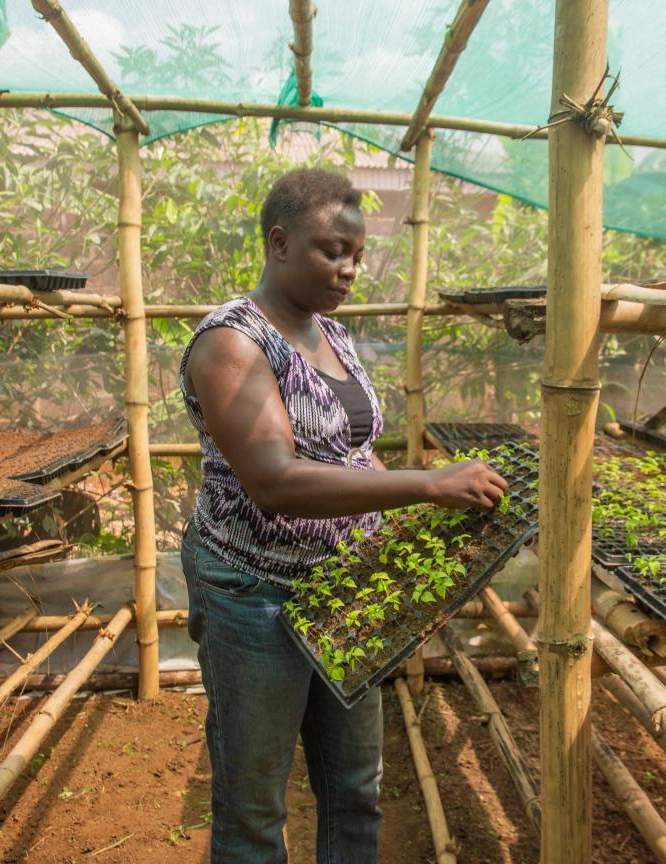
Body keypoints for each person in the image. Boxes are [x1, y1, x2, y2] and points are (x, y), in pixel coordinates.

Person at [179, 167, 507, 864]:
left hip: (344, 589)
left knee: (355, 785)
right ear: (279, 242)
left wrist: (412, 530)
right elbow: (273, 481)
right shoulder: (232, 343)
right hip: (254, 592)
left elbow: (352, 452)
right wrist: (426, 485)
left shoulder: (332, 334)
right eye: (333, 250)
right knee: (254, 803)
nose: (350, 269)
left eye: (357, 254)